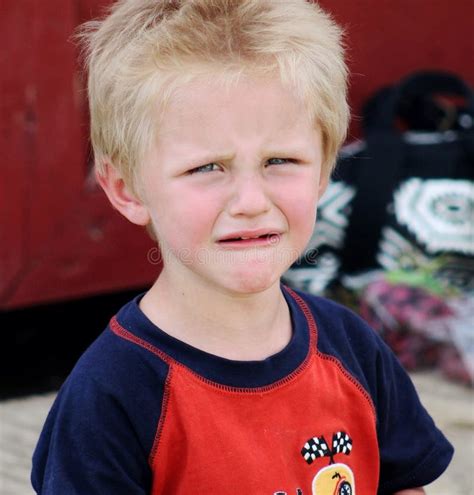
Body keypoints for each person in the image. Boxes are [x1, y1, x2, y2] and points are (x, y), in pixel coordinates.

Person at [31, 1, 453, 494]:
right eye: (207, 167)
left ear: (322, 170)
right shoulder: (111, 397)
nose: (251, 202)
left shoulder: (351, 348)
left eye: (280, 159)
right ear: (127, 189)